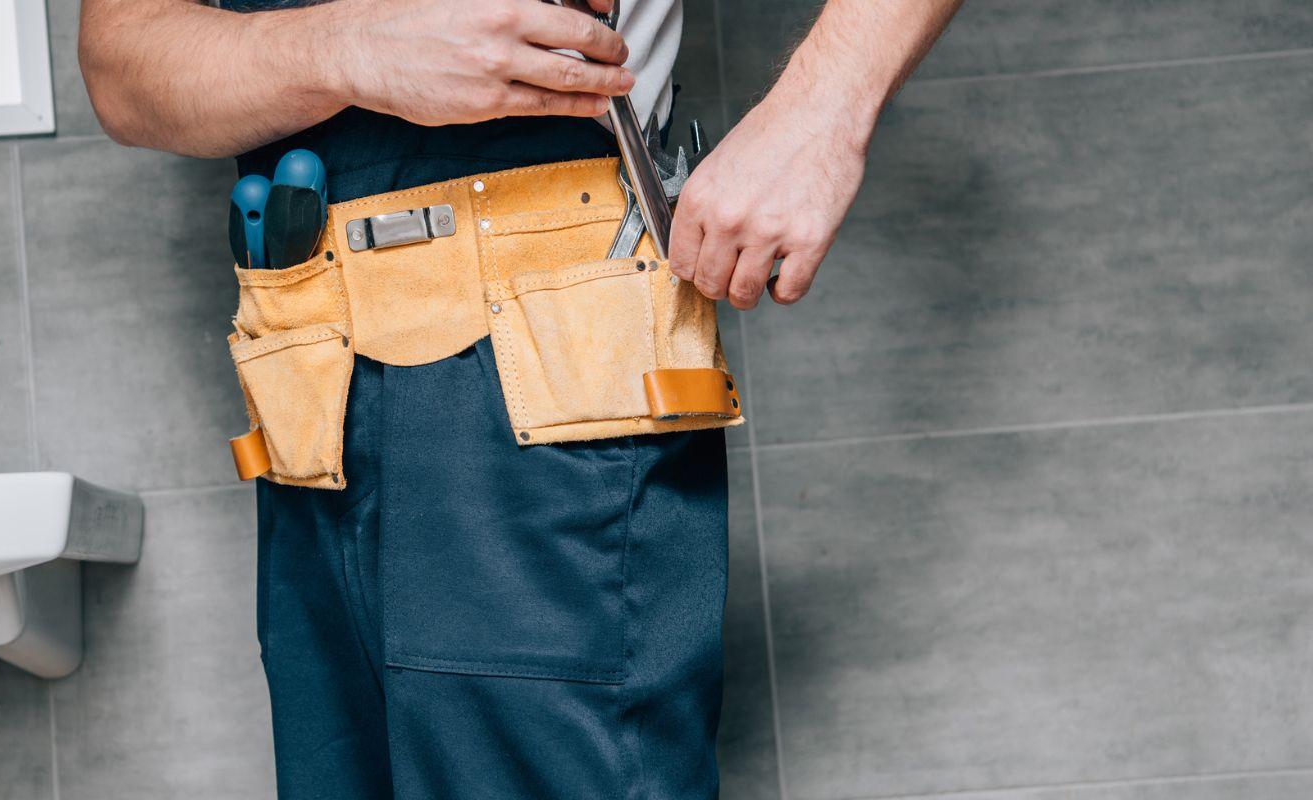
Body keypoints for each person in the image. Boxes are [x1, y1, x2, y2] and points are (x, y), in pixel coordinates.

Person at [80, 0, 961, 796]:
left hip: (549, 351)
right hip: (312, 380)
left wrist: (822, 111)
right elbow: (120, 65)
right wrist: (350, 46)